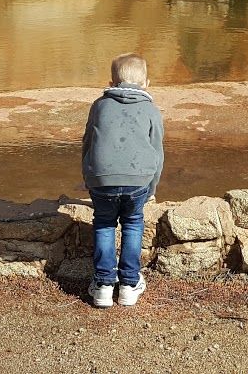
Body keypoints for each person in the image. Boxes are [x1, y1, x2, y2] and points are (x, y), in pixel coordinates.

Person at [81, 52, 164, 308]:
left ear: (111, 82)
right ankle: (129, 284)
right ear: (146, 83)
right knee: (133, 223)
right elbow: (157, 152)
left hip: (101, 179)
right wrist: (151, 188)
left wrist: (89, 178)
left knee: (104, 224)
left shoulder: (99, 106)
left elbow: (87, 144)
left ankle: (104, 286)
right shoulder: (150, 110)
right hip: (138, 180)